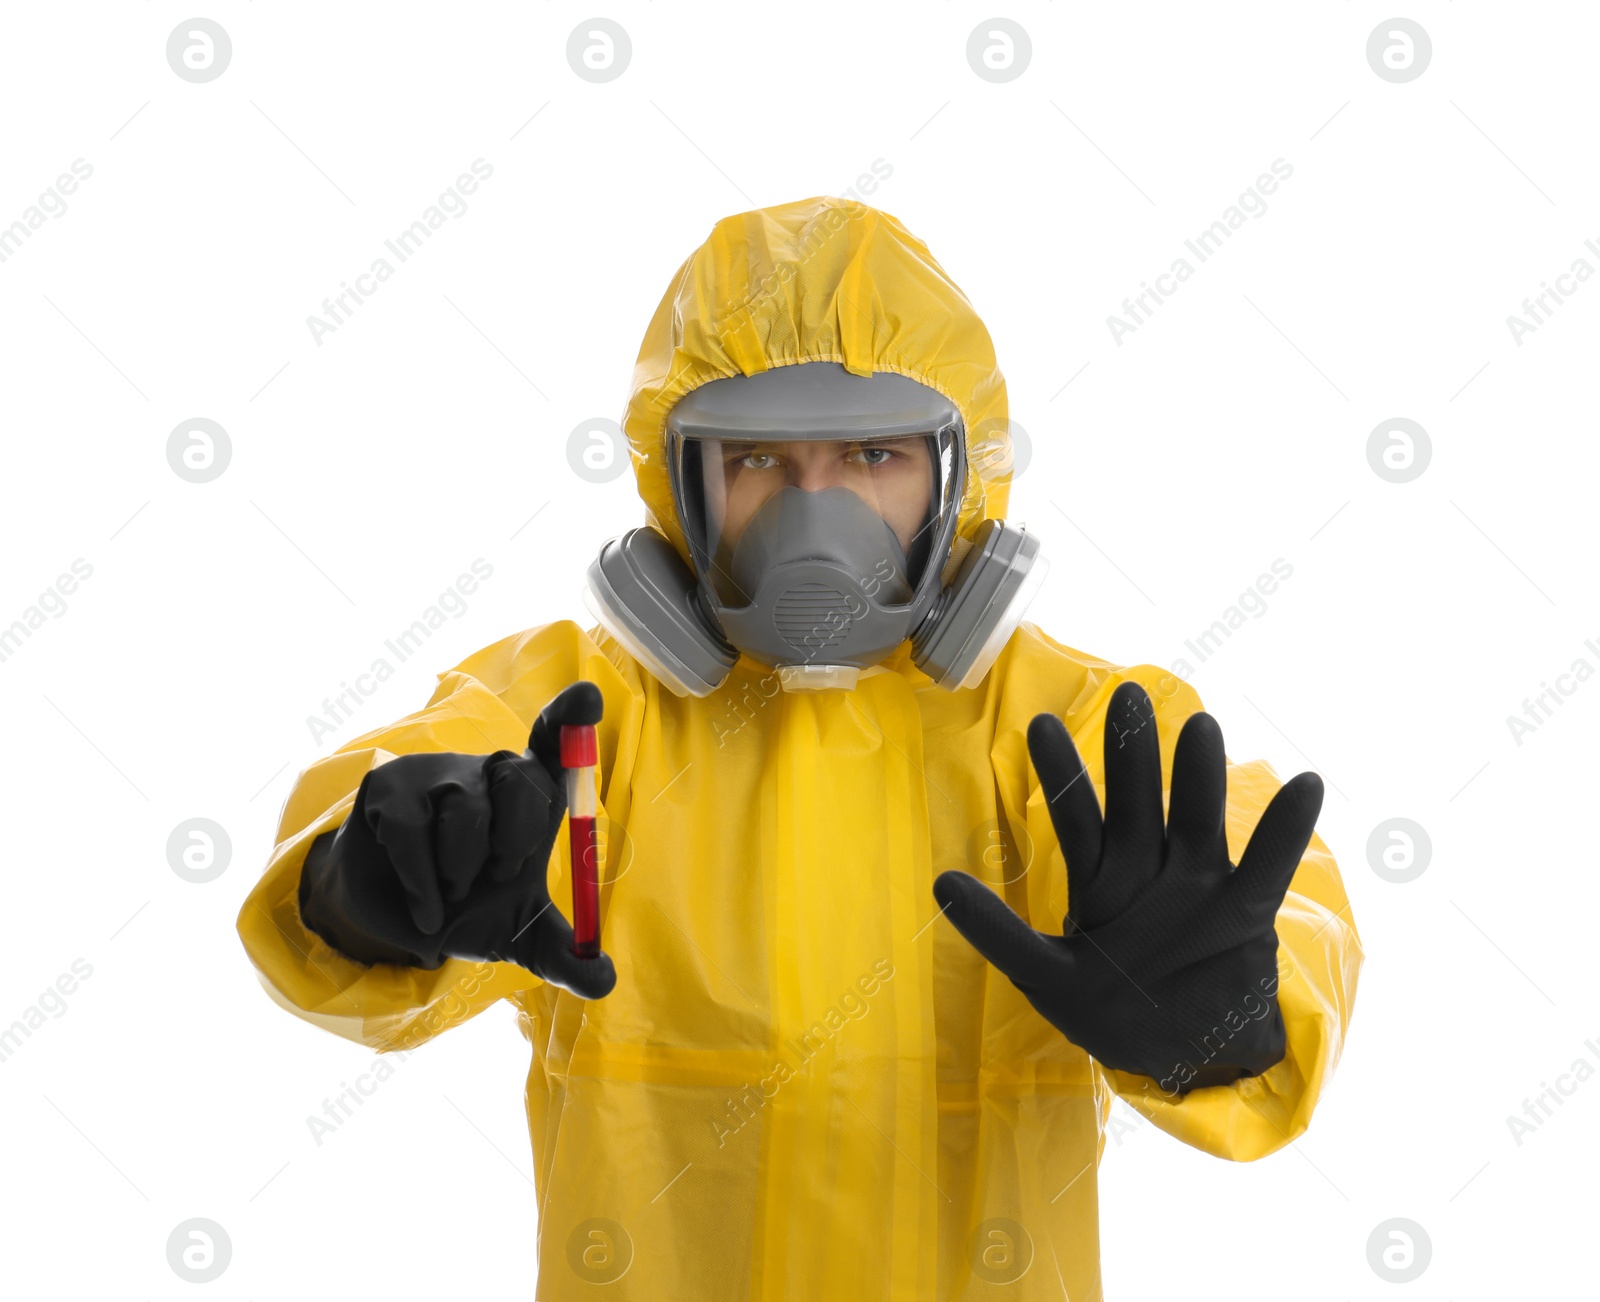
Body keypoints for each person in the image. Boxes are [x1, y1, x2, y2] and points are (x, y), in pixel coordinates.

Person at [237, 195, 1363, 1300]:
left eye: (873, 455)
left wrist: (1228, 1015)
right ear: (679, 483)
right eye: (760, 464)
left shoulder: (1069, 727)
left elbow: (1278, 886)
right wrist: (370, 880)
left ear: (958, 474)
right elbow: (386, 797)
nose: (815, 514)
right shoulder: (577, 715)